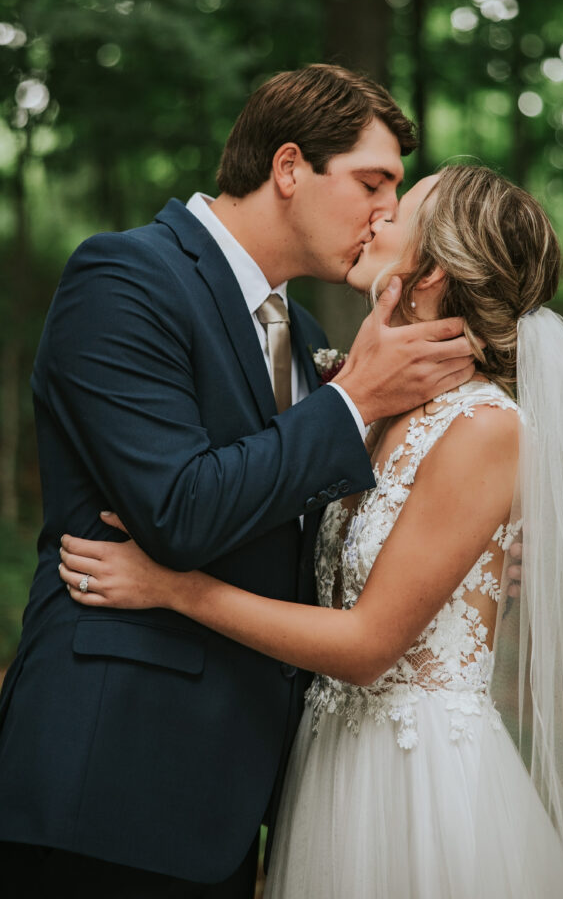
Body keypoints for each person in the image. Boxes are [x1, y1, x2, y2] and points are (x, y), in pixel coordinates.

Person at [60, 164, 563, 899]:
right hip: (326, 765)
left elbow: (365, 646)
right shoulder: (359, 406)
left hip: (417, 780)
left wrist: (174, 588)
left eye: (399, 211)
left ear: (429, 273)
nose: (376, 216)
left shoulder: (486, 429)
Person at [0, 65, 480, 898]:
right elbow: (179, 512)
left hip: (235, 795)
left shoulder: (304, 330)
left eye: (396, 192)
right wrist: (353, 398)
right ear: (289, 168)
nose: (386, 213)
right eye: (372, 182)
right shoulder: (124, 279)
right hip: (109, 778)